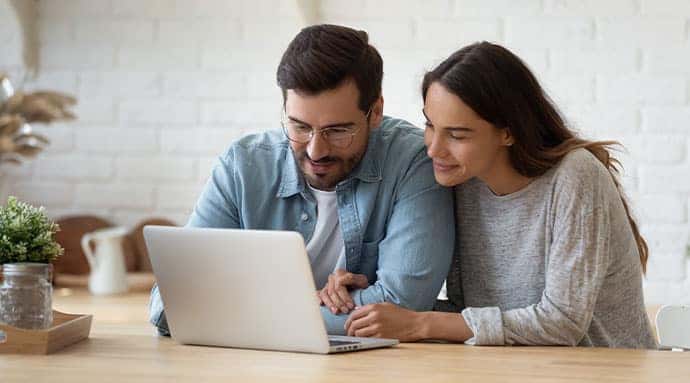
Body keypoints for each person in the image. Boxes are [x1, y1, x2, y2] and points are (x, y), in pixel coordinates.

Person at [344, 41, 658, 349]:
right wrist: (373, 296)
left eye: (456, 134)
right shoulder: (462, 181)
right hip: (514, 368)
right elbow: (478, 319)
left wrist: (420, 323)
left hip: (605, 370)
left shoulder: (575, 176)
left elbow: (562, 323)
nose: (433, 148)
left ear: (508, 132)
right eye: (429, 125)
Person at [148, 24, 454, 336]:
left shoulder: (413, 161)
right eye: (299, 126)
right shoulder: (243, 166)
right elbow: (170, 305)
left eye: (337, 131)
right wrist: (304, 306)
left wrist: (239, 310)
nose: (316, 150)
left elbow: (404, 304)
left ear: (374, 112)